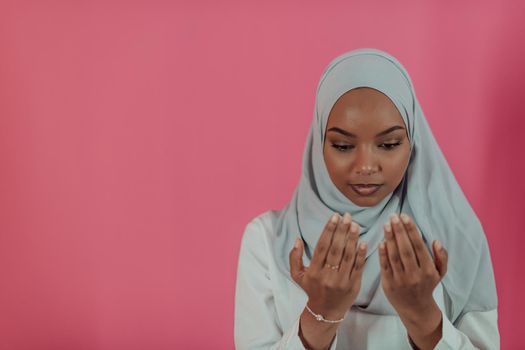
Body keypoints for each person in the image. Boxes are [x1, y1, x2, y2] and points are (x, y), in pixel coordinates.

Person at [234, 48, 499, 350]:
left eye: (388, 144)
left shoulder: (454, 237)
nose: (365, 166)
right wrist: (321, 313)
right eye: (343, 145)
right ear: (318, 145)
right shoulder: (267, 243)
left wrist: (424, 318)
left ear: (413, 142)